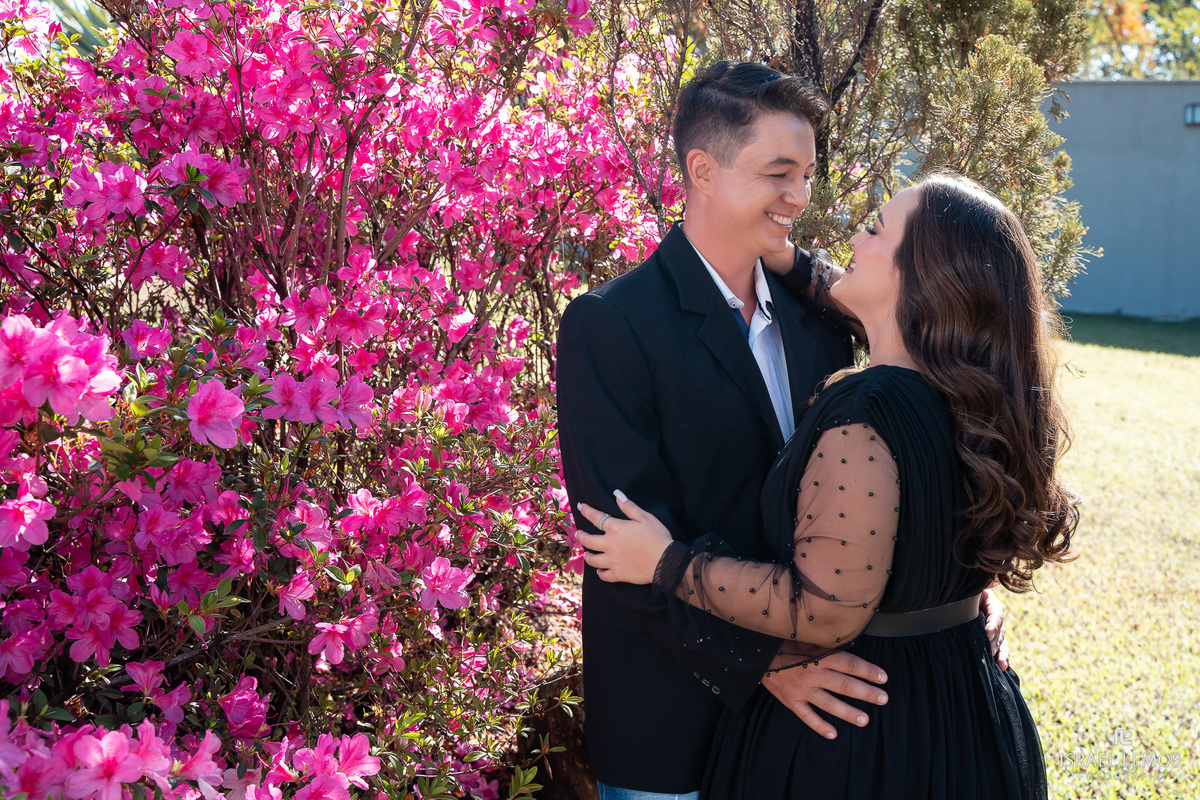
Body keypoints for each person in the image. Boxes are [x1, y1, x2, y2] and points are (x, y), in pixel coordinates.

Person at [556, 61, 1007, 800]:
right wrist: (772, 662)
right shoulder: (611, 324)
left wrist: (959, 598)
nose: (799, 196)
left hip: (806, 734)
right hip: (670, 719)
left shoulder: (822, 318)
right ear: (702, 169)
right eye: (779, 172)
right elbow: (621, 545)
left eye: (806, 173)